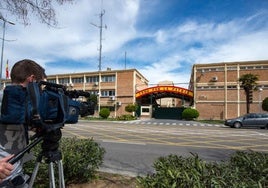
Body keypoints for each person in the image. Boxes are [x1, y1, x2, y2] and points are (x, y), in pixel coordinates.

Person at [0, 59, 46, 155]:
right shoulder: (4, 99)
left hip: (17, 166)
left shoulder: (24, 103)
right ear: (32, 79)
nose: (40, 89)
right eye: (39, 84)